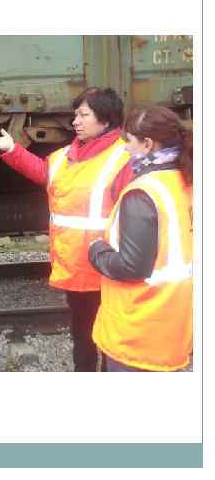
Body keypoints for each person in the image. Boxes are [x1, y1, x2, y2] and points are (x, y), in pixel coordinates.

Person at [0, 87, 132, 371]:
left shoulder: (123, 158)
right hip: (76, 267)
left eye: (84, 115)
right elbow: (44, 173)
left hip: (109, 268)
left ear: (105, 120)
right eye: (75, 115)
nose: (76, 121)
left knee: (110, 338)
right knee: (82, 335)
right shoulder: (65, 156)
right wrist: (12, 150)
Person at [88, 106, 193, 372]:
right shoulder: (186, 181)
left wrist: (96, 251)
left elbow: (132, 267)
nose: (125, 147)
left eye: (129, 140)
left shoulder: (143, 193)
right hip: (174, 323)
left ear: (147, 144)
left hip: (137, 331)